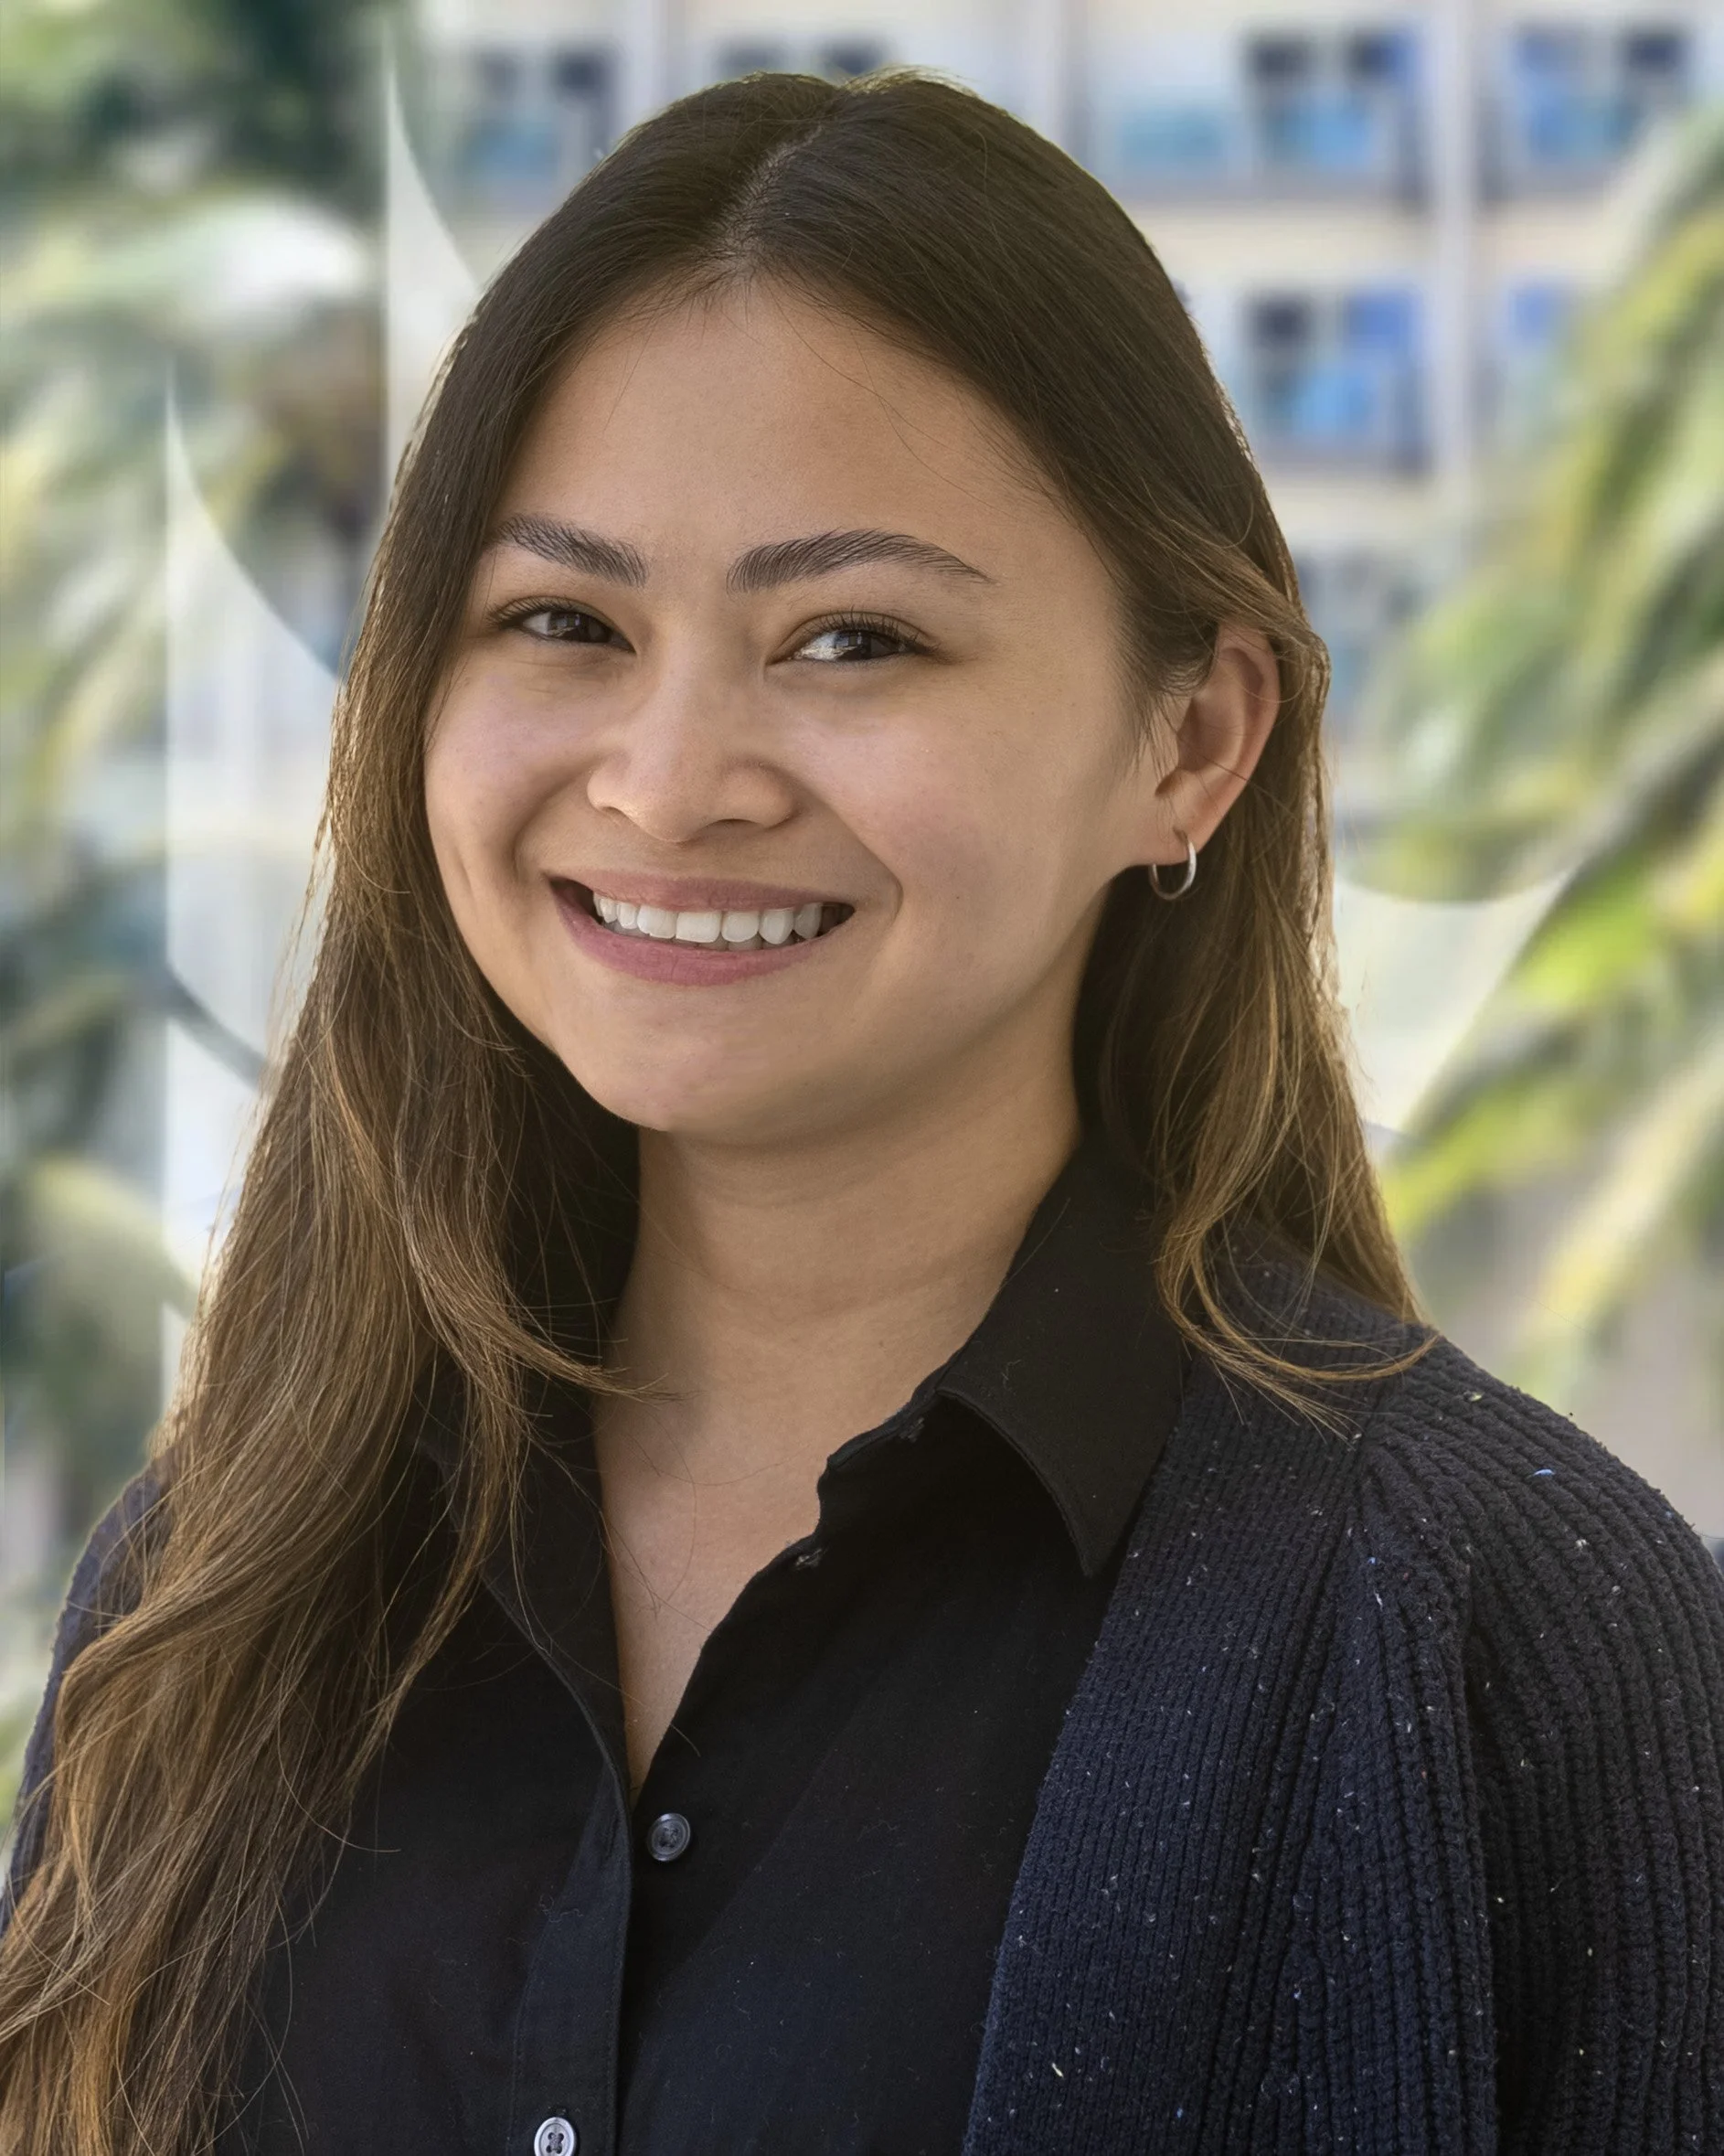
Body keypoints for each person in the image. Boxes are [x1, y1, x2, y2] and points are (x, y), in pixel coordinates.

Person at [3, 69, 1720, 2156]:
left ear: (1192, 740)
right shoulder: (216, 1592)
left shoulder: (1520, 1644)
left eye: (852, 639)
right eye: (565, 621)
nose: (670, 774)